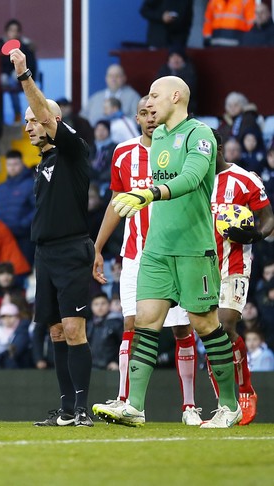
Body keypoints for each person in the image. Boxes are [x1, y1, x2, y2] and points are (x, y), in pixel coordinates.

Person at [94, 76, 241, 428]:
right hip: (156, 249)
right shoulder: (157, 135)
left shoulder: (199, 134)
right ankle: (135, 406)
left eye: (155, 96)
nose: (149, 102)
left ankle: (230, 405)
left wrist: (148, 194)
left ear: (175, 97)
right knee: (145, 322)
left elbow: (190, 178)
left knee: (205, 325)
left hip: (193, 248)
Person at [91, 96, 199, 425]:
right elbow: (114, 202)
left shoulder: (181, 148)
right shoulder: (123, 153)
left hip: (176, 253)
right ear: (136, 118)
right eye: (144, 113)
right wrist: (97, 248)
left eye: (154, 112)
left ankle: (189, 407)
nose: (150, 118)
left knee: (182, 327)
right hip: (135, 254)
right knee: (131, 325)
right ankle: (126, 400)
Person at [8, 46, 94, 427]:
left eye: (33, 121)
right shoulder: (43, 163)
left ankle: (82, 410)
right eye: (26, 122)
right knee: (56, 330)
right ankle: (64, 411)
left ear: (52, 120)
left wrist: (24, 75)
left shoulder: (74, 152)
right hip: (44, 255)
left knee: (75, 329)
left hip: (71, 251)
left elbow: (42, 110)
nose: (28, 126)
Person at [207, 129, 274, 425]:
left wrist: (256, 235)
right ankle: (226, 401)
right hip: (200, 265)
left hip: (234, 263)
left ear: (219, 148)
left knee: (225, 323)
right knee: (209, 332)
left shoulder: (245, 179)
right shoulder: (195, 179)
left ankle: (245, 388)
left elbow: (268, 216)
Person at [0, 150, 36, 265]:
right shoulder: (1, 188)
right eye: (9, 164)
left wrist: (23, 224)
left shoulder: (32, 184)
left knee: (22, 272)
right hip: (2, 239)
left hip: (23, 238)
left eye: (15, 164)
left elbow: (39, 208)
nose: (12, 168)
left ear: (22, 164)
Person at [0, 19, 38, 124]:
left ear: (19, 33)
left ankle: (18, 114)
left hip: (21, 76)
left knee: (12, 82)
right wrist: (3, 74)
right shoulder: (0, 47)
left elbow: (31, 64)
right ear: (6, 32)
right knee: (0, 82)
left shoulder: (26, 47)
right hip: (5, 76)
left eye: (16, 30)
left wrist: (20, 71)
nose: (13, 33)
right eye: (11, 30)